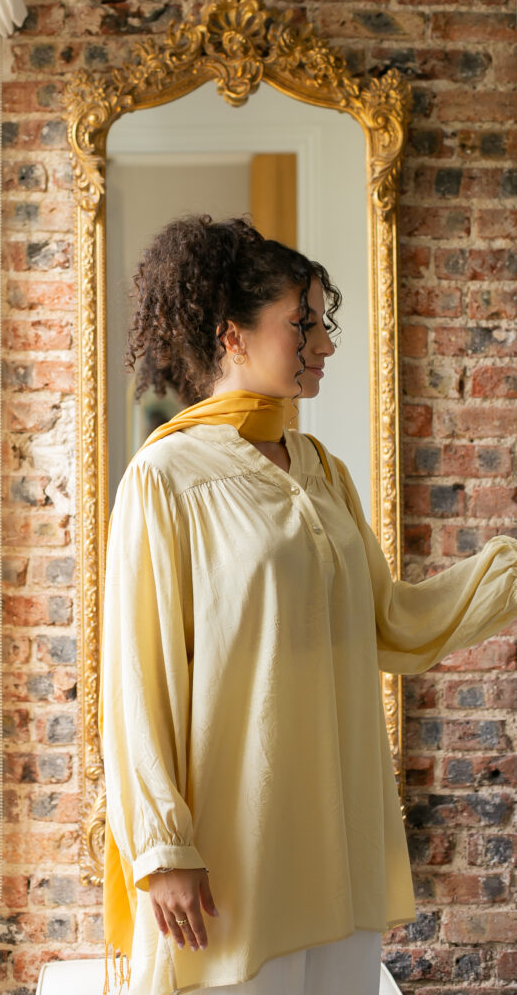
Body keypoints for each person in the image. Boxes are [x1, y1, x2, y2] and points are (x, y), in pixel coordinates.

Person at [98, 214, 517, 995]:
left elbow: (390, 621)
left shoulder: (319, 468)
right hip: (232, 847)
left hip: (337, 832)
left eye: (323, 324)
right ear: (232, 336)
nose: (323, 343)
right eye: (302, 323)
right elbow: (136, 680)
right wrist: (162, 850)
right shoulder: (167, 478)